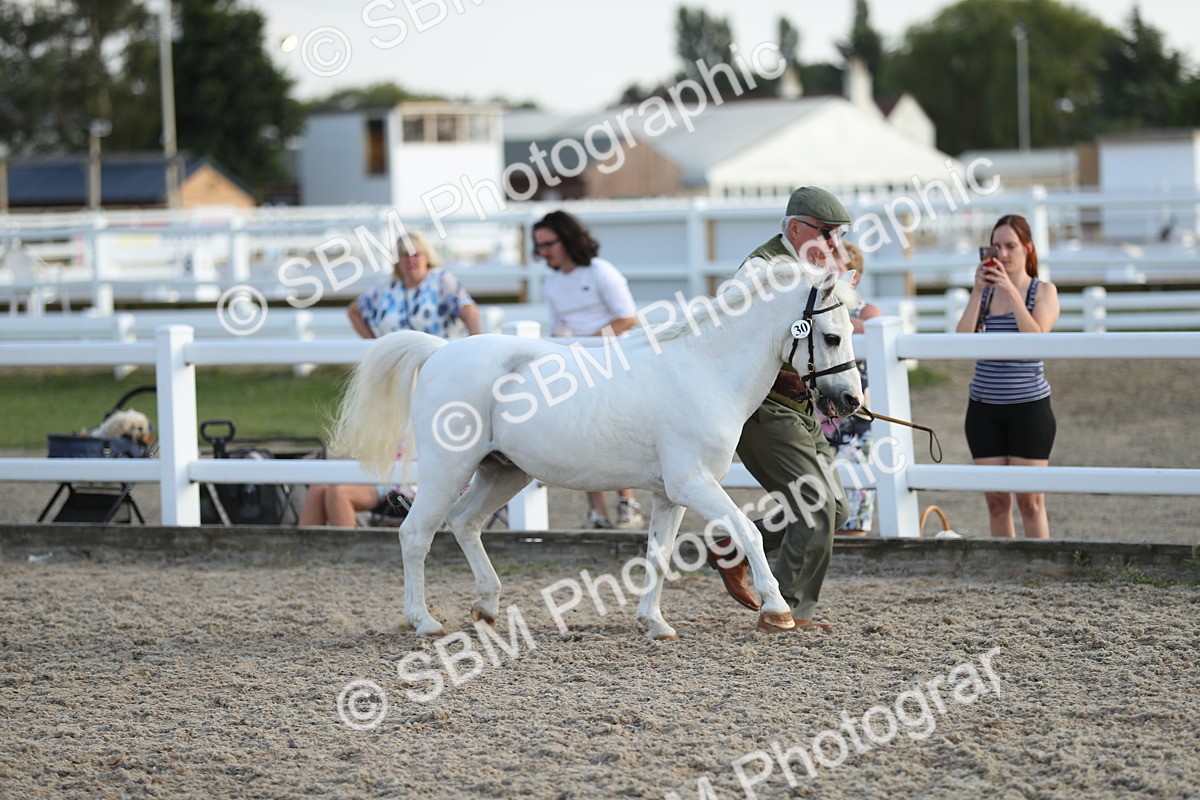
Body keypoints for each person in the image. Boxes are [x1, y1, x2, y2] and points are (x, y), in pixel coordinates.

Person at [706, 186, 853, 633]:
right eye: (826, 233)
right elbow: (726, 336)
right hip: (762, 406)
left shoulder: (812, 270)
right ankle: (786, 608)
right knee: (816, 503)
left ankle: (734, 547)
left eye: (837, 234)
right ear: (795, 228)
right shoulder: (760, 271)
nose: (834, 243)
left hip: (799, 403)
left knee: (837, 510)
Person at [300, 231, 483, 526]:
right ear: (396, 261)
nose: (411, 260)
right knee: (322, 487)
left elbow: (469, 311)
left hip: (435, 377)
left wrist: (476, 351)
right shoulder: (387, 288)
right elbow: (355, 311)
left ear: (427, 256)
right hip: (396, 383)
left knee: (416, 442)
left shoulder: (441, 281)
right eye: (404, 255)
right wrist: (377, 350)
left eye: (416, 254)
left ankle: (344, 557)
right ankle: (306, 559)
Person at [532, 210, 644, 529]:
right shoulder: (552, 282)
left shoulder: (600, 272)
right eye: (539, 246)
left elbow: (627, 319)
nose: (543, 252)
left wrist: (587, 345)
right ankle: (598, 512)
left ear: (567, 239)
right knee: (581, 435)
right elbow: (559, 327)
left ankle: (628, 503)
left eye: (549, 243)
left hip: (615, 360)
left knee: (619, 432)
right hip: (578, 365)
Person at [954, 214, 1060, 539]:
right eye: (995, 246)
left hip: (1029, 407)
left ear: (1027, 248)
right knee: (997, 502)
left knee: (1030, 502)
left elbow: (1035, 338)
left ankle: (1039, 566)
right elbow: (959, 343)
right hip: (984, 409)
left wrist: (1011, 292)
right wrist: (977, 292)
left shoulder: (1043, 291)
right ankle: (1006, 571)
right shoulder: (984, 295)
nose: (1002, 254)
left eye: (1010, 246)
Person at [816, 241, 881, 536]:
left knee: (856, 490)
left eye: (836, 267)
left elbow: (875, 327)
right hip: (822, 417)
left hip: (857, 417)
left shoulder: (867, 311)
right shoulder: (815, 311)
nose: (828, 271)